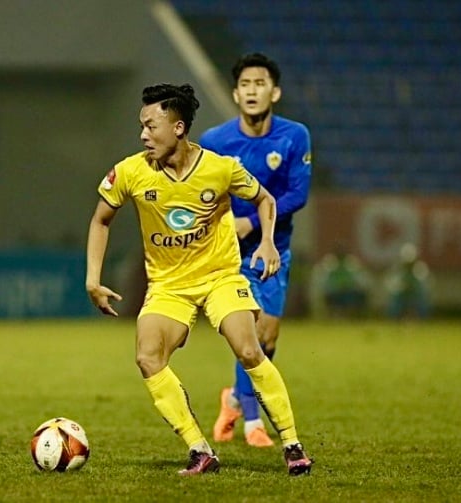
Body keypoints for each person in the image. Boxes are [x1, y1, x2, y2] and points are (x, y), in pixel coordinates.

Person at [85, 83, 313, 476]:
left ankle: (292, 444)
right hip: (169, 286)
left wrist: (268, 244)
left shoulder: (219, 168)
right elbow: (101, 219)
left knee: (248, 348)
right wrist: (93, 279)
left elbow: (265, 199)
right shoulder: (131, 171)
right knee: (147, 356)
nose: (143, 135)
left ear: (177, 128)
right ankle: (199, 450)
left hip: (220, 276)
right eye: (141, 126)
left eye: (150, 126)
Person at [199, 53, 312, 448]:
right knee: (251, 331)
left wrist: (254, 221)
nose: (251, 91)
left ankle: (232, 397)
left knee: (268, 339)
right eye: (245, 85)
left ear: (274, 92)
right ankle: (252, 423)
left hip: (275, 249)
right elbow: (204, 191)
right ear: (235, 93)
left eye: (259, 84)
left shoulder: (295, 136)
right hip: (231, 255)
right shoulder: (215, 141)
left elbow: (298, 193)